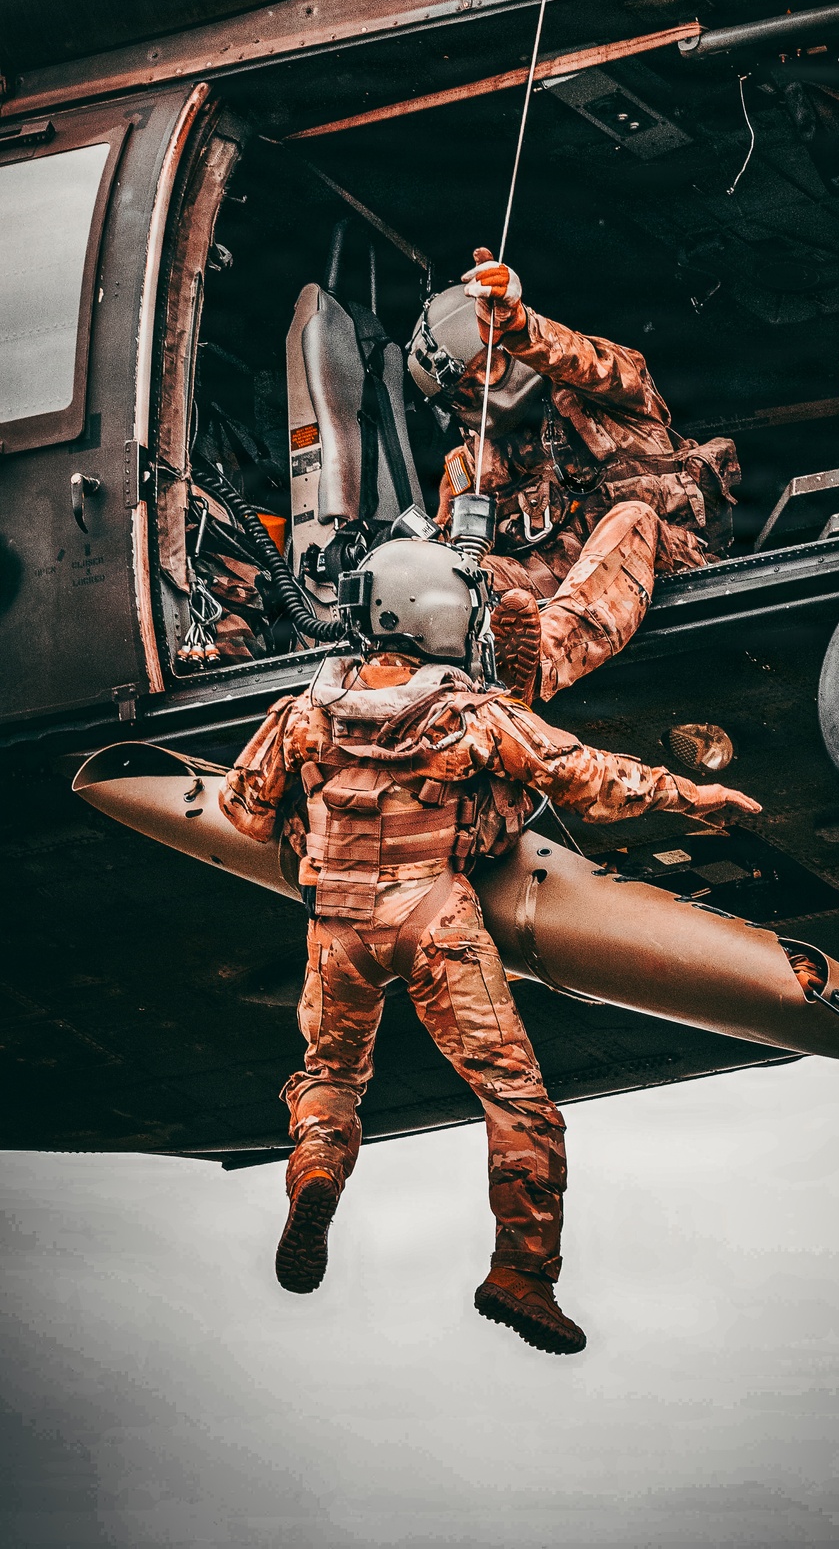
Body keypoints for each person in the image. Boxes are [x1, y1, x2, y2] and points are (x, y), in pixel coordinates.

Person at [220, 531, 759, 1356]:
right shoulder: (472, 715)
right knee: (516, 1100)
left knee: (330, 1075)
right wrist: (697, 797)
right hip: (435, 917)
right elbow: (593, 780)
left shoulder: (301, 716)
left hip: (337, 926)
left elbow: (243, 811)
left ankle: (319, 1172)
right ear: (442, 617)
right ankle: (521, 1274)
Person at [407, 250, 740, 710]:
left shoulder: (607, 385)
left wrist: (520, 326)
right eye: (460, 394)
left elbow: (577, 357)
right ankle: (424, 691)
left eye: (477, 375)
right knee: (457, 574)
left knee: (632, 516)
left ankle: (538, 665)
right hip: (558, 581)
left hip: (665, 552)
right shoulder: (470, 464)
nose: (475, 396)